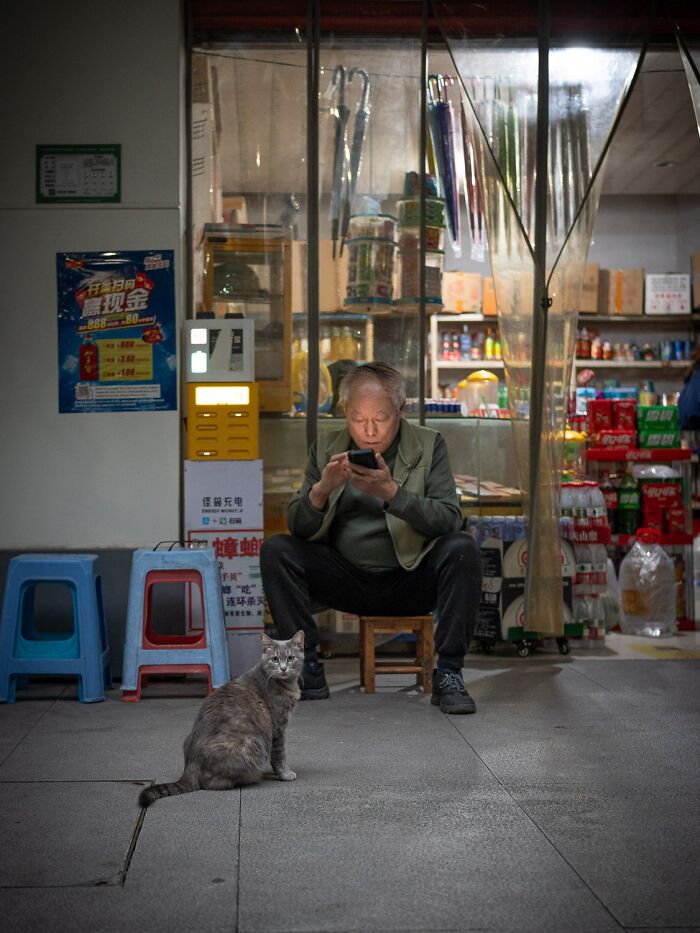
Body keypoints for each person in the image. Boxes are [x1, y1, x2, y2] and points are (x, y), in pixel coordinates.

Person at [260, 362, 482, 714]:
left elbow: (449, 519)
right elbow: (299, 527)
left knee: (463, 548)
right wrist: (322, 489)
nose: (369, 430)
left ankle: (450, 674)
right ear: (345, 412)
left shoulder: (429, 445)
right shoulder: (328, 447)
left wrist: (393, 494)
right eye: (358, 418)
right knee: (276, 550)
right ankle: (307, 671)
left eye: (381, 418)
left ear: (401, 410)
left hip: (409, 576)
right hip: (345, 577)